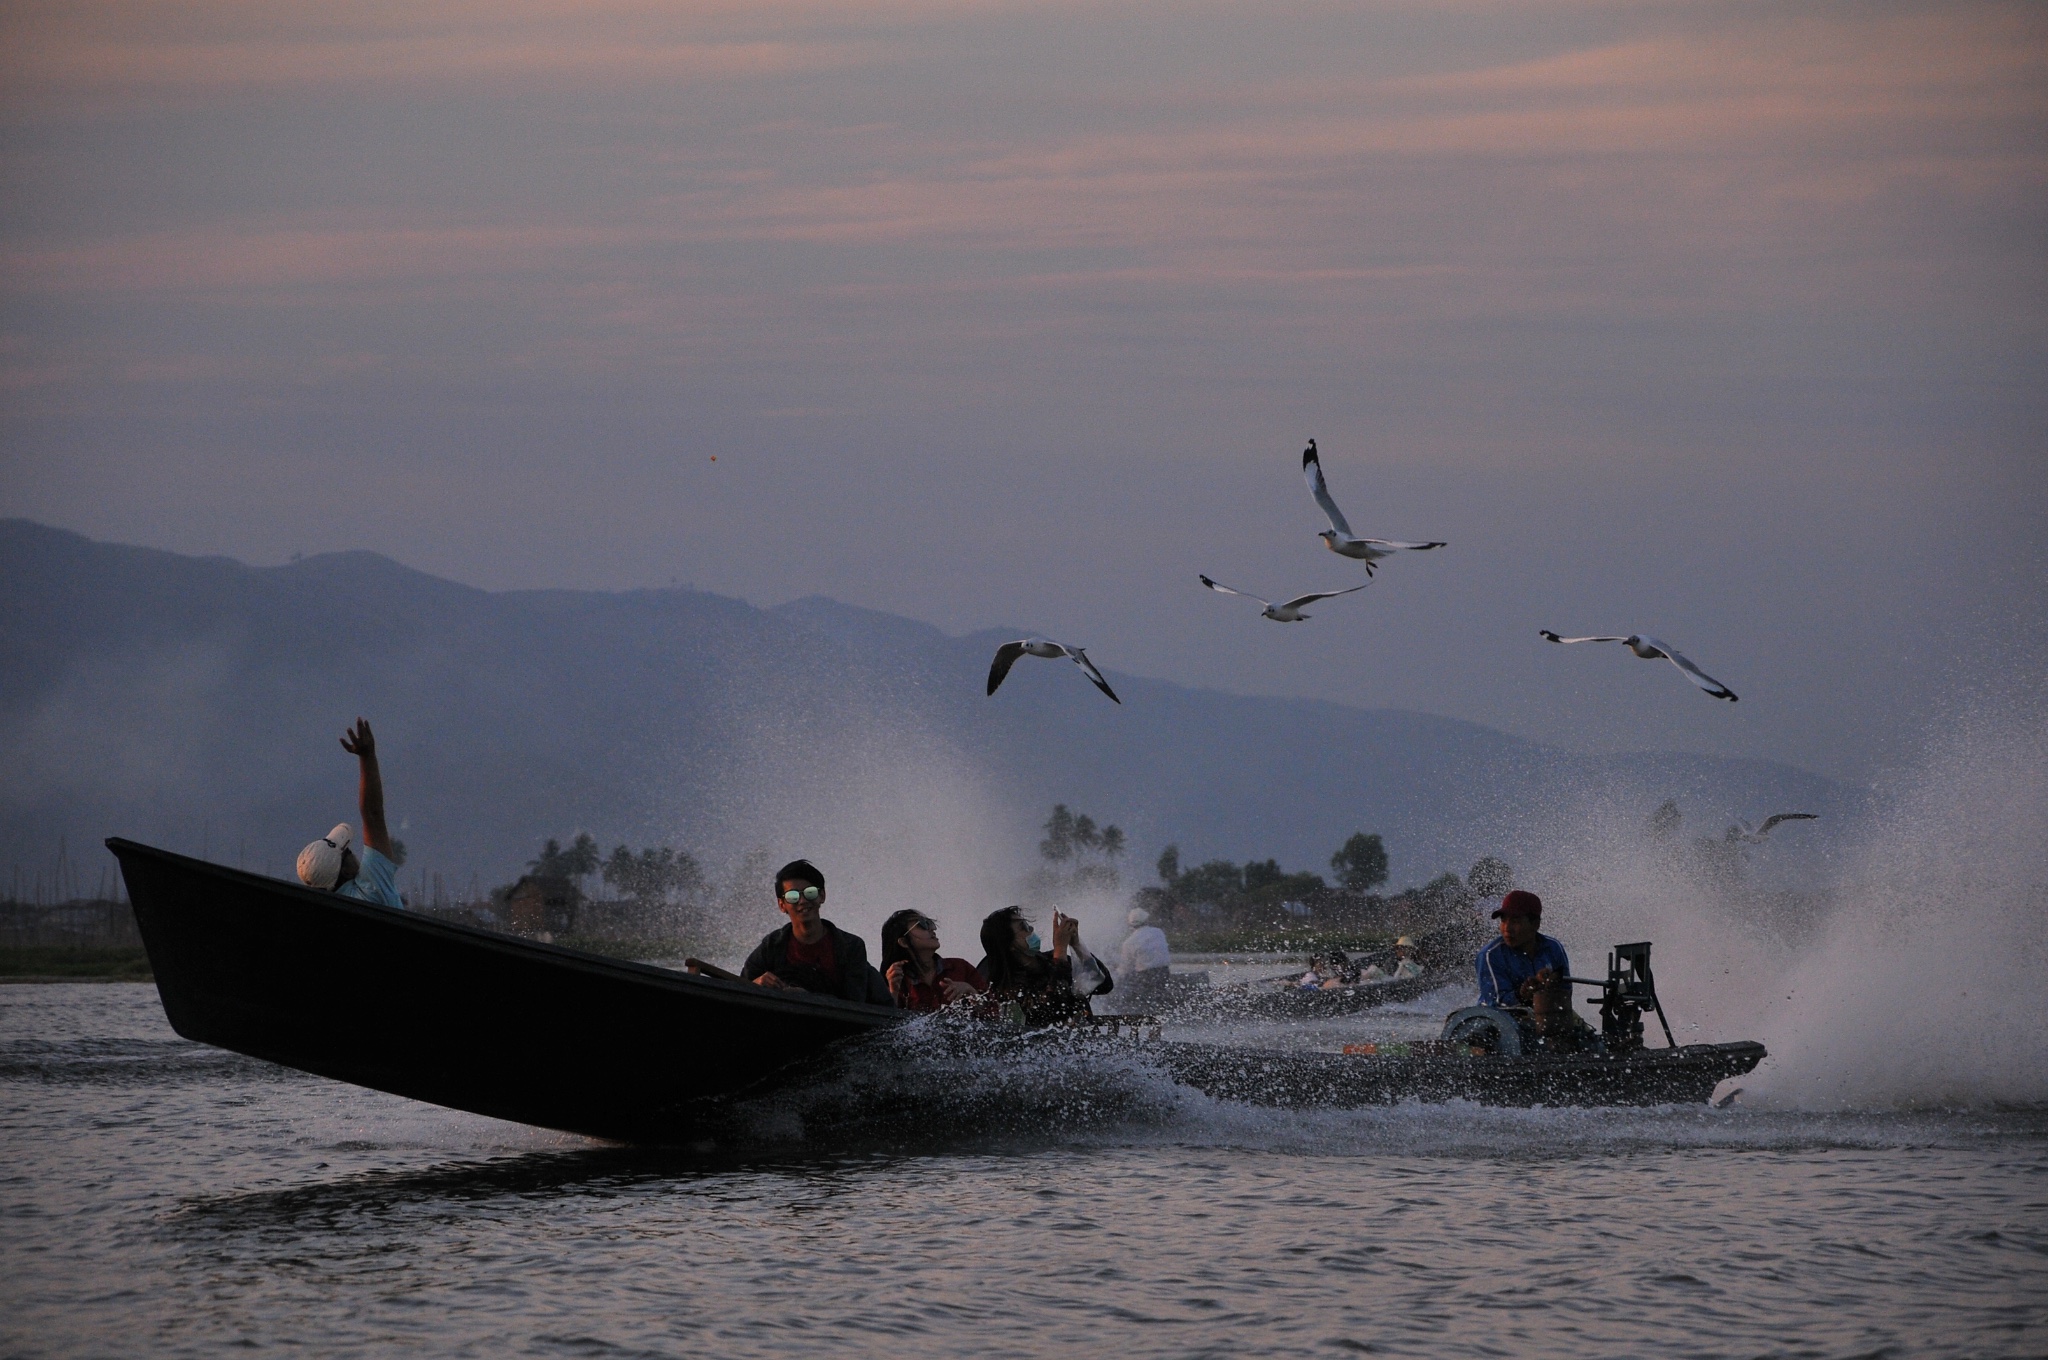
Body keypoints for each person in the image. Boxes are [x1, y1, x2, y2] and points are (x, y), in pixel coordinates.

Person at [741, 859, 892, 1005]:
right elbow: (739, 989)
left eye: (810, 892)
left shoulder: (851, 947)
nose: (802, 901)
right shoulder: (772, 946)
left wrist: (808, 998)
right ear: (782, 905)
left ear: (822, 896)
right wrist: (757, 983)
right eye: (792, 896)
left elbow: (854, 1003)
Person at [296, 718, 403, 909]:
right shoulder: (371, 888)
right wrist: (367, 756)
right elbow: (373, 814)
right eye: (347, 852)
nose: (354, 855)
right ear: (344, 871)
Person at [977, 905, 1114, 1025]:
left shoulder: (1050, 960)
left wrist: (1076, 944)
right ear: (1009, 944)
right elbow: (1051, 1012)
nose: (1031, 929)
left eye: (1028, 925)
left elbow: (1104, 985)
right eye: (1024, 927)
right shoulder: (1006, 987)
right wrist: (1060, 951)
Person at [1475, 890, 1571, 1011]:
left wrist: (1550, 986)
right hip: (1498, 1026)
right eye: (1503, 920)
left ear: (1535, 924)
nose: (1507, 928)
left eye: (1515, 921)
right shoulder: (1490, 955)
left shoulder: (1553, 948)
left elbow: (1565, 992)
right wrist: (1522, 995)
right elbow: (1496, 1005)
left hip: (1544, 1018)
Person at [878, 909, 987, 1013]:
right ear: (904, 942)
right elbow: (887, 1026)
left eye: (929, 923)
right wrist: (893, 992)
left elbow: (994, 1014)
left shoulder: (960, 968)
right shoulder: (896, 981)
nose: (932, 930)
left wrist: (971, 991)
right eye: (922, 925)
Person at [1117, 907, 1172, 1009]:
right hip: (1164, 973)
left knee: (1123, 981)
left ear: (1130, 924)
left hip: (1145, 977)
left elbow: (1125, 968)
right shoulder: (1158, 932)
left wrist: (1116, 974)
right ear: (1146, 920)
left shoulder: (1129, 942)